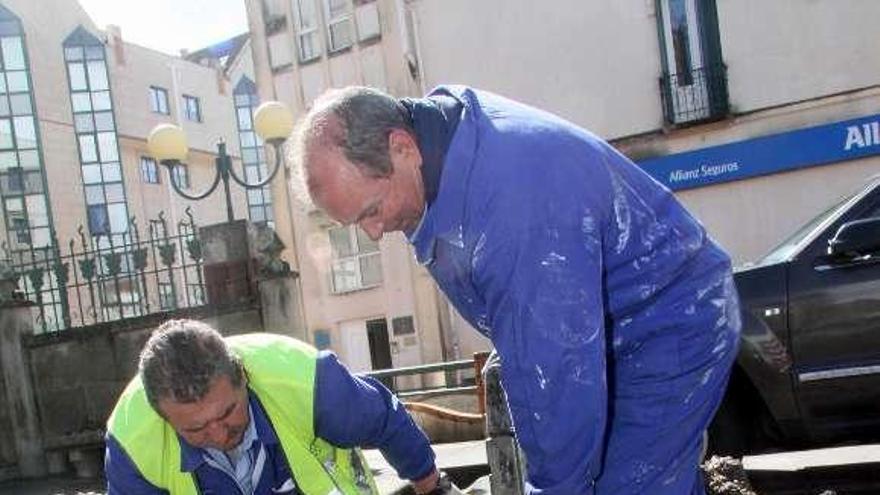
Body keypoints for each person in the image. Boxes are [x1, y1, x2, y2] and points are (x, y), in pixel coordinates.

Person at [292, 85, 742, 494]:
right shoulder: (438, 157)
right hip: (605, 324)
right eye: (357, 222)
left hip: (670, 322)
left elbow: (559, 375)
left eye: (371, 210)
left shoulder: (512, 203)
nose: (373, 232)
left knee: (627, 484)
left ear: (401, 146)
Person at [104, 319, 453, 494]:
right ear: (164, 417)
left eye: (227, 412)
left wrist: (432, 487)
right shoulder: (132, 445)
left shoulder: (306, 380)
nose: (218, 434)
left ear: (242, 375)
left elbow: (384, 420)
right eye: (195, 429)